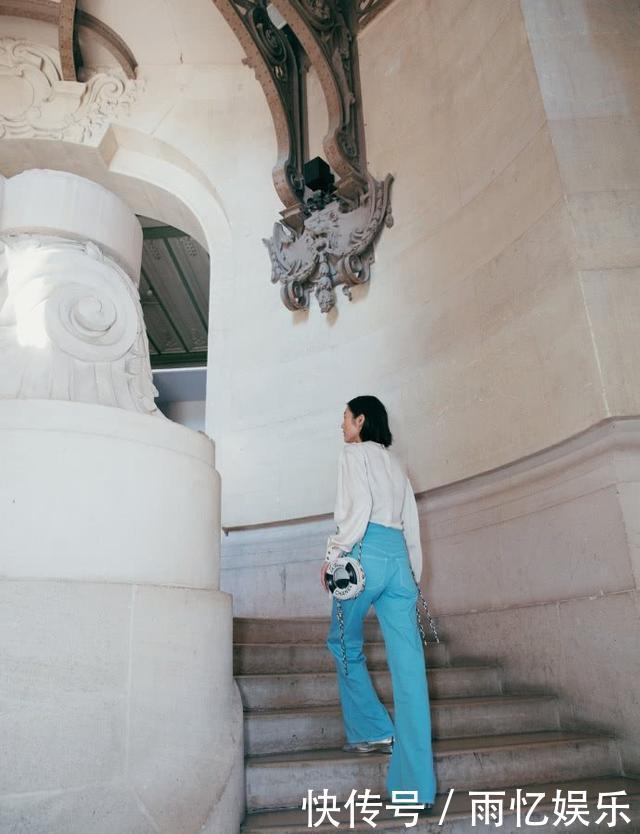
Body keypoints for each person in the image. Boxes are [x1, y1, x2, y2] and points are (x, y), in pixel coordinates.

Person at [320, 395, 437, 808]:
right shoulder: (397, 463)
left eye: (345, 418)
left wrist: (334, 555)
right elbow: (411, 524)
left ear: (361, 421)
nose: (342, 426)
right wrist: (411, 575)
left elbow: (357, 510)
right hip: (400, 563)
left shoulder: (353, 455)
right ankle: (414, 787)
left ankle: (371, 728)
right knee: (410, 672)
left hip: (362, 556)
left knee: (341, 640)